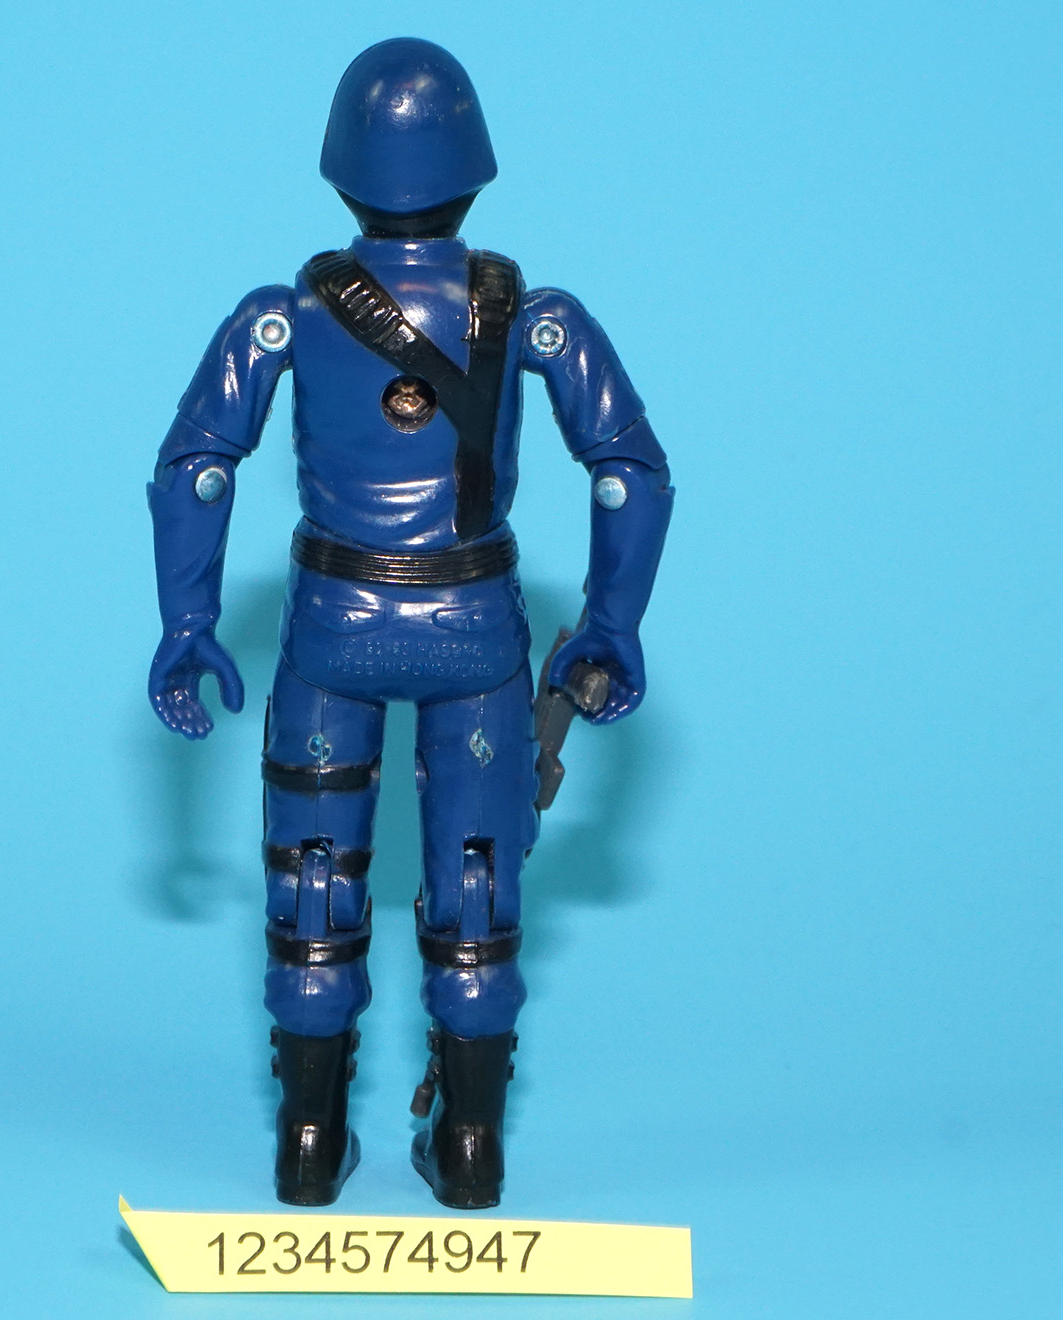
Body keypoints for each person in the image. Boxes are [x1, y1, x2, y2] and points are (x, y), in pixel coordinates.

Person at [146, 37, 673, 1209]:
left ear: (339, 166)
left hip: (331, 625)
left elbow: (197, 468)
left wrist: (188, 620)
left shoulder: (282, 318)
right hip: (473, 628)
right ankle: (473, 1147)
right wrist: (610, 621)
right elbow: (628, 473)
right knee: (476, 881)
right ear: (475, 166)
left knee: (313, 875)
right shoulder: (533, 316)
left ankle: (307, 1142)